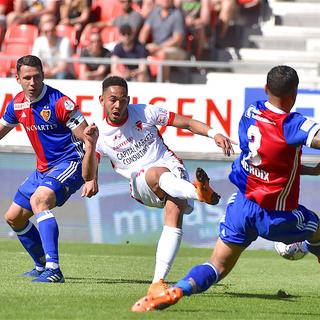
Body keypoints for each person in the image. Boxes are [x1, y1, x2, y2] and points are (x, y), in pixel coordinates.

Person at [131, 65, 320, 311]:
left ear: (266, 89)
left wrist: (307, 170)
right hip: (275, 215)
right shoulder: (292, 124)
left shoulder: (251, 111)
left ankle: (177, 289)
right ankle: (302, 245)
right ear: (294, 96)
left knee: (216, 266)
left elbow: (267, 161)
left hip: (241, 207)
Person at [81, 76, 235, 294]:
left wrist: (214, 133)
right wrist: (90, 146)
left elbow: (187, 123)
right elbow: (88, 175)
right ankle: (197, 191)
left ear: (129, 100)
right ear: (101, 100)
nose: (118, 105)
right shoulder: (99, 135)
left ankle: (157, 282)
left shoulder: (145, 112)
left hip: (173, 169)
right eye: (112, 99)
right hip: (141, 182)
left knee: (174, 212)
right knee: (156, 173)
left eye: (123, 100)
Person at [0, 55, 92, 283]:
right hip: (43, 169)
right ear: (18, 78)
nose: (33, 82)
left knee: (40, 200)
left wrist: (91, 177)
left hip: (71, 162)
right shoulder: (17, 104)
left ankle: (54, 269)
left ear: (44, 75)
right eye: (27, 78)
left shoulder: (60, 103)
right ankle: (41, 265)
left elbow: (88, 139)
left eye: (37, 77)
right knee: (14, 217)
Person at [138, 0, 187, 82]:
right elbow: (144, 31)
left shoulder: (177, 14)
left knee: (163, 54)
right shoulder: (155, 12)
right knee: (142, 51)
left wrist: (158, 47)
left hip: (177, 49)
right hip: (157, 47)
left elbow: (177, 39)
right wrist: (140, 46)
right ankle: (142, 81)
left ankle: (162, 83)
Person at [32, 14, 74, 79]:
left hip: (64, 74)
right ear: (42, 32)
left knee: (61, 75)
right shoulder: (38, 41)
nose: (49, 34)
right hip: (46, 72)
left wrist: (50, 73)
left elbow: (63, 66)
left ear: (55, 31)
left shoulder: (65, 41)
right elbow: (35, 61)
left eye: (52, 30)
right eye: (46, 32)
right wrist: (43, 70)